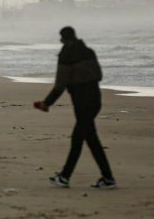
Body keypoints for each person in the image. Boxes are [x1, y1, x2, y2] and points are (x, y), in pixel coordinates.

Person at [34, 26, 116, 189]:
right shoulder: (89, 52)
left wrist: (46, 103)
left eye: (61, 38)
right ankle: (106, 178)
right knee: (90, 140)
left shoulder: (66, 56)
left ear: (65, 39)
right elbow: (99, 76)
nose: (61, 41)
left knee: (79, 140)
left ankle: (66, 177)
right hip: (95, 101)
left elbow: (60, 85)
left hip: (81, 104)